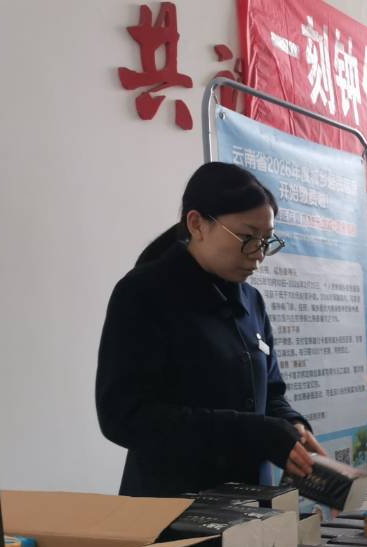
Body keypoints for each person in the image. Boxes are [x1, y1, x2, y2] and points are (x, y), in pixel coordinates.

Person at [96, 162, 324, 496]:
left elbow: (271, 394)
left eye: (266, 240)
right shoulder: (143, 293)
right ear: (197, 223)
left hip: (251, 503)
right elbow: (123, 416)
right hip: (175, 504)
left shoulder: (252, 301)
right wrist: (254, 432)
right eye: (247, 237)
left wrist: (291, 424)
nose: (258, 254)